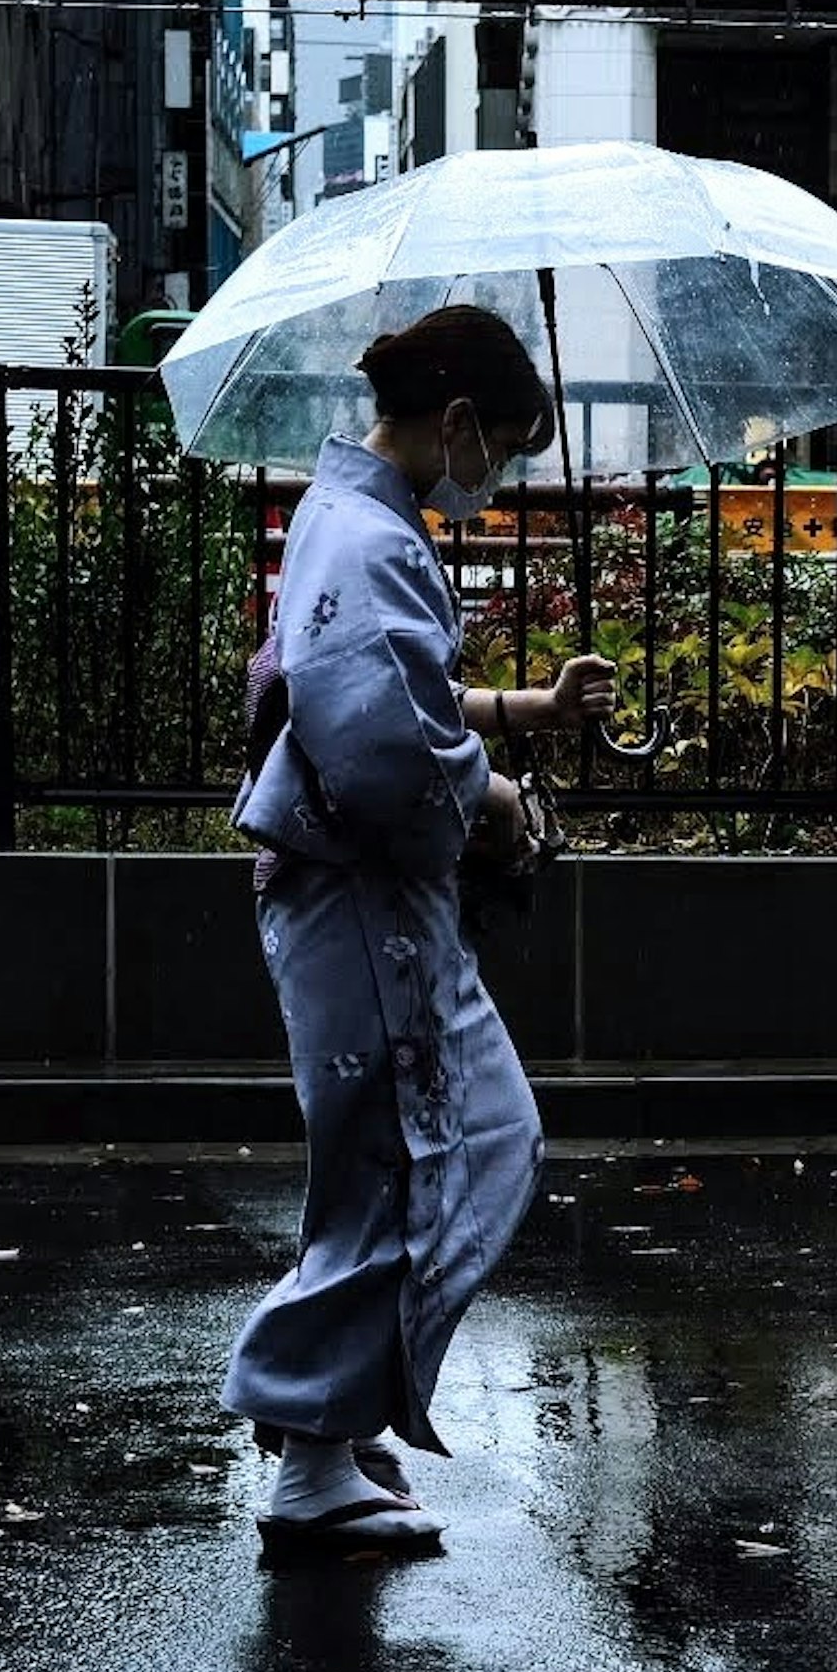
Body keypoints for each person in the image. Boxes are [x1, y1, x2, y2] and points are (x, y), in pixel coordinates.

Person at [224, 304, 616, 1554]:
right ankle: (310, 1429)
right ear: (453, 424)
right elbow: (378, 740)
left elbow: (390, 693)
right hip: (362, 900)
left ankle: (327, 1418)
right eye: (497, 444)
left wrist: (524, 712)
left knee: (402, 1159)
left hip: (360, 900)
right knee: (441, 1153)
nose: (492, 475)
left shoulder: (352, 522)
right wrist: (491, 797)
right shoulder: (366, 536)